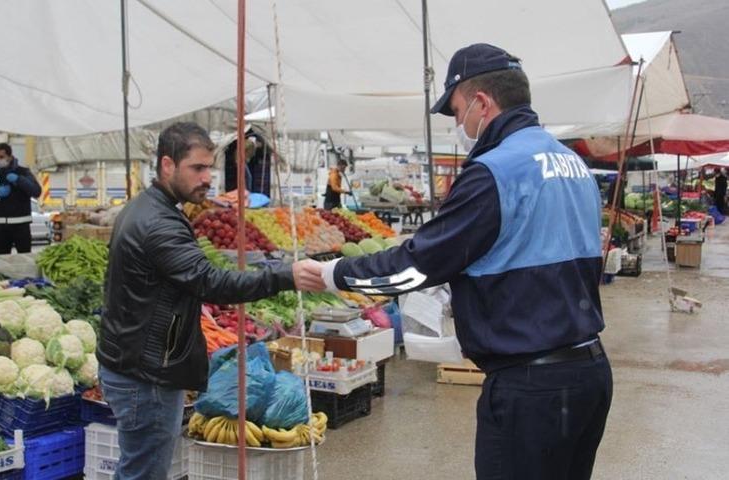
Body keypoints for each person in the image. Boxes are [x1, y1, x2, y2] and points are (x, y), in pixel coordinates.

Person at [319, 44, 612, 479]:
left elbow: (417, 265)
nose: (459, 125)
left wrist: (332, 273)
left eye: (456, 112)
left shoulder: (496, 170)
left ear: (481, 103)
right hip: (589, 374)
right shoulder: (573, 165)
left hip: (531, 388)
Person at [95, 122, 324, 480]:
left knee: (138, 465)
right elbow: (212, 282)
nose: (207, 178)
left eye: (210, 168)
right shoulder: (159, 223)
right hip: (147, 373)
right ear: (168, 165)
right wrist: (284, 275)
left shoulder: (150, 207)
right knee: (144, 471)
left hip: (135, 360)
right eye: (197, 168)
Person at [0, 143, 41, 254]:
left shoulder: (23, 172)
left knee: (24, 258)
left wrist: (19, 180)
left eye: (1, 157)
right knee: (2, 260)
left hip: (21, 225)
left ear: (9, 157)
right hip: (0, 226)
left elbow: (36, 191)